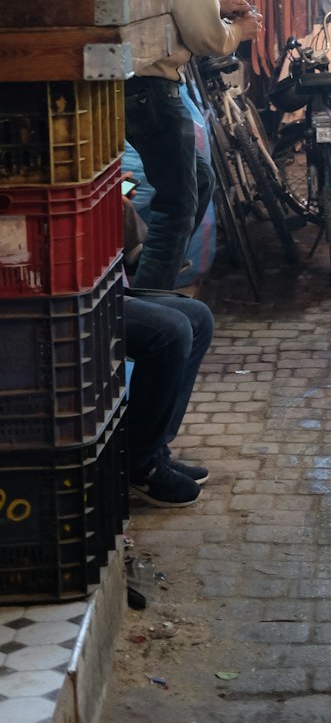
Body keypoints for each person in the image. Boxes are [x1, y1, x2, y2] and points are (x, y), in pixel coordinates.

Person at [126, 0, 261, 292]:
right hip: (154, 88)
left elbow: (166, 3)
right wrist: (240, 31)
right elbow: (205, 38)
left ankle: (148, 269)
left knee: (198, 180)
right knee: (177, 206)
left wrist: (217, 3)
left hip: (124, 85)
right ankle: (153, 298)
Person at [123, 200, 213, 507]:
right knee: (171, 331)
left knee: (198, 317)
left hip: (105, 287)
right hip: (74, 302)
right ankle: (140, 464)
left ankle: (155, 448)